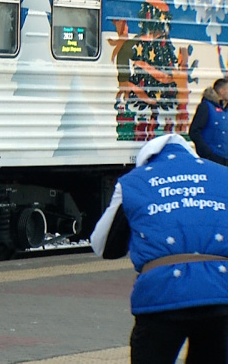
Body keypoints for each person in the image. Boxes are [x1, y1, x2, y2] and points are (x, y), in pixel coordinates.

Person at [90, 134, 228, 363]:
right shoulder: (223, 175)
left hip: (160, 294)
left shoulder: (133, 182)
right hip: (220, 294)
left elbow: (103, 246)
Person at [188, 78, 228, 166]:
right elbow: (194, 132)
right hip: (212, 159)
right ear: (222, 91)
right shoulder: (206, 107)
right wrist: (207, 152)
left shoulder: (225, 110)